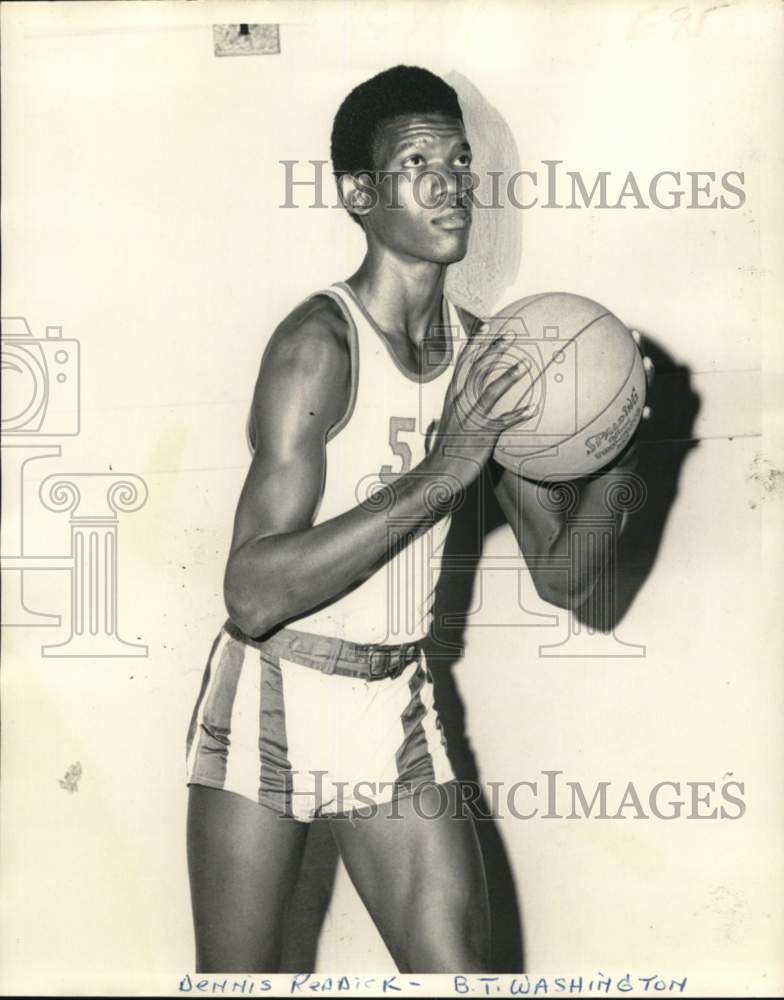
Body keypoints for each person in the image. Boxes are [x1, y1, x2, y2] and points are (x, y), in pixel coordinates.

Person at [185, 64, 652, 973]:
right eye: (417, 161)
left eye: (460, 160)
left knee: (463, 980)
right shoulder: (317, 346)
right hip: (275, 696)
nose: (450, 184)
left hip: (392, 704)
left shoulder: (492, 355)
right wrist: (447, 466)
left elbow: (566, 577)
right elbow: (250, 593)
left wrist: (615, 452)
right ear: (361, 194)